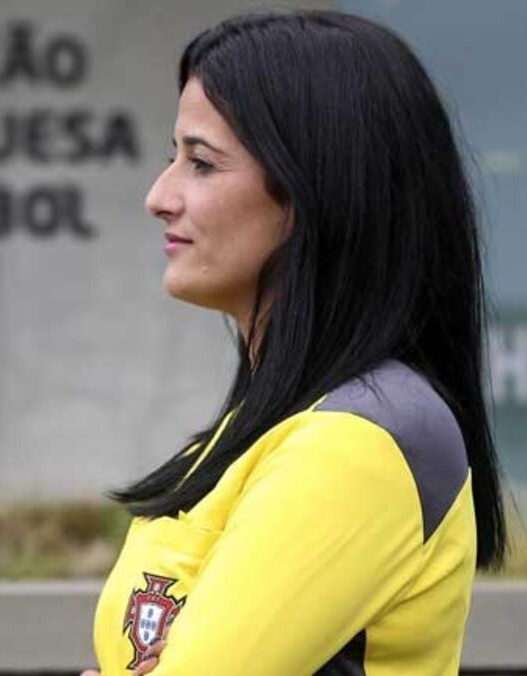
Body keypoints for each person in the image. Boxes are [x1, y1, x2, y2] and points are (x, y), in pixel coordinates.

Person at [87, 10, 508, 675]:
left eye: (201, 163)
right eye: (173, 159)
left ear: (315, 190)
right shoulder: (253, 434)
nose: (159, 197)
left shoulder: (361, 441)